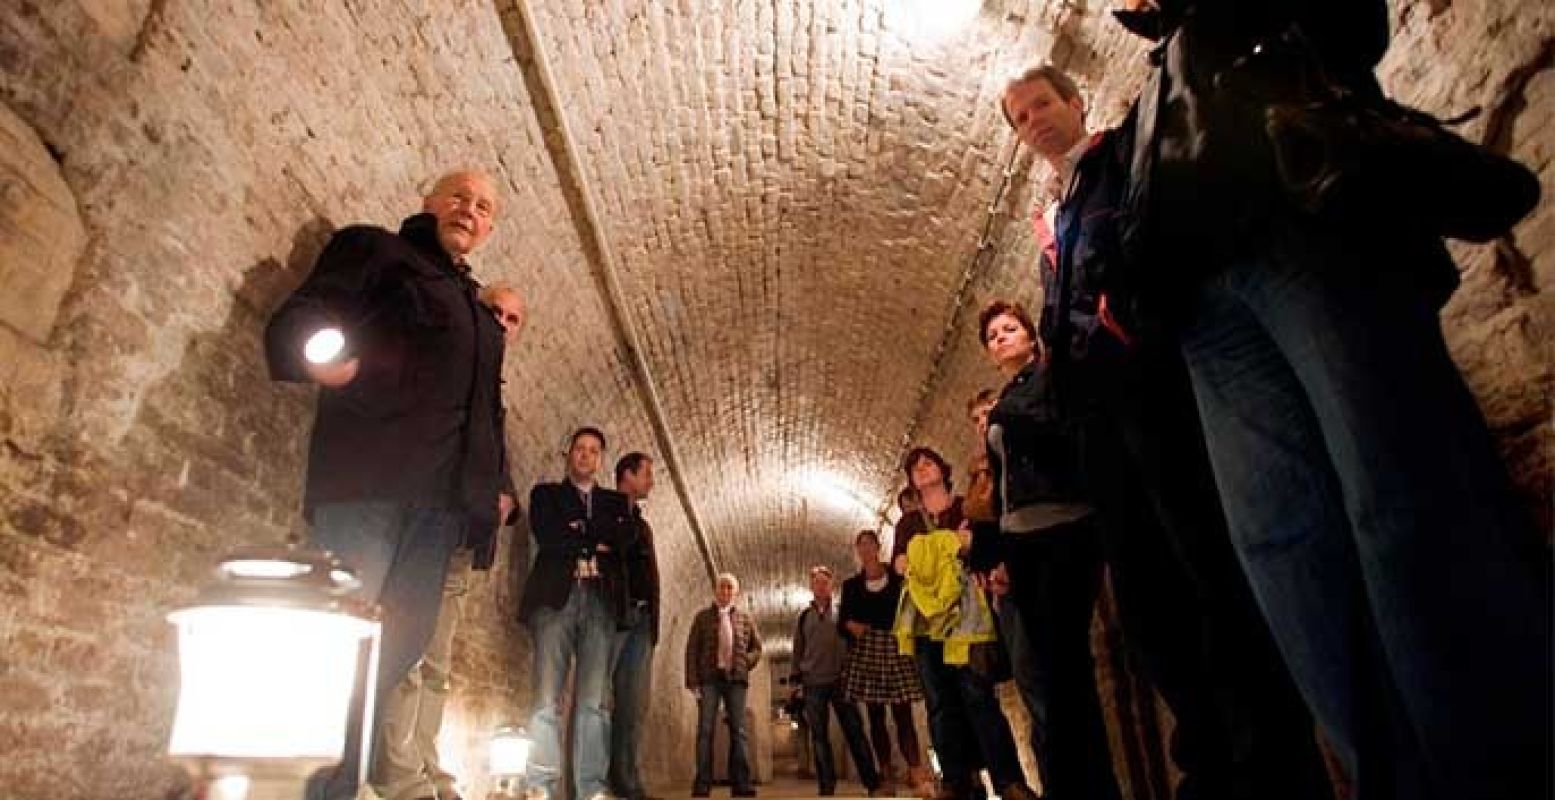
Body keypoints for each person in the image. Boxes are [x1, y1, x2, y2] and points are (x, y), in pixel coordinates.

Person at [1115, 2, 1553, 797]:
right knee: (1284, 548)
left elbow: (1354, 25)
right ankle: (1389, 781)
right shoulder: (1159, 74)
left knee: (1400, 500)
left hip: (1300, 209)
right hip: (1196, 292)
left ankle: (1500, 769)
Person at [1002, 62, 1334, 800]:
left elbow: (1144, 248)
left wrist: (1122, 317)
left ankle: (1269, 765)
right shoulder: (1053, 212)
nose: (1034, 121)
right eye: (1019, 117)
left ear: (1073, 100)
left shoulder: (1120, 157)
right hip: (1098, 419)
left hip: (1154, 389)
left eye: (1042, 105)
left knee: (1206, 567)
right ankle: (1208, 762)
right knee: (1149, 598)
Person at [264, 170, 514, 800]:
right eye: (458, 196)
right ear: (429, 203)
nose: (468, 209)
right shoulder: (377, 249)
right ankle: (290, 784)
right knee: (333, 646)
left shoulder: (482, 315)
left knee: (392, 655)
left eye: (483, 207)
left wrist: (491, 498)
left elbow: (487, 413)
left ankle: (336, 789)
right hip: (367, 485)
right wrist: (314, 349)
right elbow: (310, 309)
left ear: (489, 228)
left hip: (438, 513)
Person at [373, 284, 528, 800]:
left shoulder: (494, 390)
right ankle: (399, 775)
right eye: (494, 313)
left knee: (437, 663)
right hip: (426, 525)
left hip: (464, 536)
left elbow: (492, 457)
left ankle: (425, 762)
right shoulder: (448, 368)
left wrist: (504, 494)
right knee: (408, 651)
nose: (502, 325)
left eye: (512, 319)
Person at [978, 302, 1119, 800]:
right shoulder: (1005, 399)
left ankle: (1092, 786)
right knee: (1046, 670)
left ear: (1031, 336)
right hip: (1021, 541)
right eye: (992, 335)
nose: (1000, 338)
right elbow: (999, 486)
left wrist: (1002, 418)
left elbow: (1059, 438)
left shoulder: (1049, 378)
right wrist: (997, 553)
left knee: (1067, 666)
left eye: (1009, 329)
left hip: (1063, 528)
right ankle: (1070, 783)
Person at [893, 448, 1035, 800]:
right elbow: (900, 562)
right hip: (927, 622)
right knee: (940, 703)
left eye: (928, 462)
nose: (923, 469)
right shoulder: (908, 522)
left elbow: (977, 545)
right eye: (916, 467)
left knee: (978, 695)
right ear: (911, 481)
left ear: (942, 468)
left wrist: (929, 552)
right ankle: (957, 782)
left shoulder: (965, 507)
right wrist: (947, 545)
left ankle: (1008, 781)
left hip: (967, 616)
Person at [519, 428, 637, 800]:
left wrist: (580, 529)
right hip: (557, 598)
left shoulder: (618, 503)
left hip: (600, 602)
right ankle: (542, 786)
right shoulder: (546, 495)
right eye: (579, 449)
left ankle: (590, 789)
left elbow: (624, 543)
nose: (586, 456)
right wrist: (595, 536)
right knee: (546, 696)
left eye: (593, 451)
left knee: (593, 702)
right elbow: (548, 535)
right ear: (568, 455)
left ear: (601, 459)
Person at [838, 532, 927, 796]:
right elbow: (843, 620)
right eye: (861, 545)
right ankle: (886, 774)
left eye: (869, 544)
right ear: (857, 550)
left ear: (878, 547)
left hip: (895, 646)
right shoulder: (851, 586)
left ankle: (916, 771)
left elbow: (910, 608)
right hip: (867, 649)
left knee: (903, 712)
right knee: (875, 715)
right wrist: (850, 625)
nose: (865, 549)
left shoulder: (898, 580)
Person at [790, 565, 884, 797]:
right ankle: (826, 787)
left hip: (842, 681)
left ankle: (872, 783)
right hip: (813, 683)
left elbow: (857, 642)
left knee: (855, 732)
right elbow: (798, 650)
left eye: (825, 582)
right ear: (812, 587)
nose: (821, 586)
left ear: (832, 586)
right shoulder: (804, 618)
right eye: (817, 582)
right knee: (819, 737)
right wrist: (795, 682)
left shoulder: (844, 612)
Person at [609, 452, 662, 800]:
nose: (652, 481)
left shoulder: (643, 524)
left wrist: (655, 623)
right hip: (616, 615)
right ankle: (603, 776)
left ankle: (628, 778)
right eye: (647, 474)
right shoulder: (606, 511)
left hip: (643, 621)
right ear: (627, 475)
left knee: (633, 705)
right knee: (600, 700)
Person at [685, 573, 763, 798]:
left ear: (735, 592)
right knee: (705, 730)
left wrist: (746, 662)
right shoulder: (702, 618)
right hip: (709, 679)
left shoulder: (745, 619)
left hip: (736, 679)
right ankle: (702, 784)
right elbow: (692, 649)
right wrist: (692, 681)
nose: (725, 591)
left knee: (739, 731)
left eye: (730, 588)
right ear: (715, 591)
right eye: (722, 587)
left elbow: (757, 647)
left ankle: (741, 784)